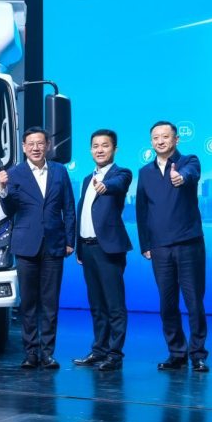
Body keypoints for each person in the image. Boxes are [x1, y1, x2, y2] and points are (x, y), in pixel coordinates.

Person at [0, 126, 76, 369]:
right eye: (31, 144)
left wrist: (70, 241)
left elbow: (69, 208)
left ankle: (48, 353)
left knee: (50, 303)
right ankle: (31, 353)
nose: (36, 148)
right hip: (26, 245)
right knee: (28, 303)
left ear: (48, 145)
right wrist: (2, 189)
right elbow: (9, 210)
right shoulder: (14, 173)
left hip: (54, 244)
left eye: (40, 143)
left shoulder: (60, 171)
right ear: (23, 147)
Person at [136, 121, 209, 372]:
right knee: (167, 304)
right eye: (155, 137)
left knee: (194, 302)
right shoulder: (145, 172)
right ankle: (176, 352)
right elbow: (142, 210)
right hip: (159, 247)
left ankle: (197, 354)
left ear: (176, 139)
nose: (160, 141)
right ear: (151, 141)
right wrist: (145, 244)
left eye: (165, 136)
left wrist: (181, 177)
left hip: (188, 244)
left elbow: (191, 174)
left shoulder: (189, 161)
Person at [72, 129, 132, 372]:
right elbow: (83, 213)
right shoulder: (88, 178)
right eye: (95, 145)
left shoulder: (121, 174)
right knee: (96, 304)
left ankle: (115, 354)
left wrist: (106, 185)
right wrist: (78, 247)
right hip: (87, 248)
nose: (100, 149)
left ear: (114, 149)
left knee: (114, 304)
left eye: (105, 145)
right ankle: (99, 350)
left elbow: (118, 185)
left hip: (108, 249)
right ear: (90, 150)